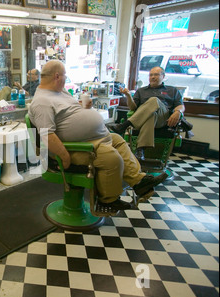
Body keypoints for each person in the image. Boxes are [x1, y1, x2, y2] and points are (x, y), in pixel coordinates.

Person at [28, 60, 168, 211]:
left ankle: (139, 182)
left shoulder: (60, 91)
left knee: (118, 140)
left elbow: (68, 112)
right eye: (64, 75)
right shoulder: (42, 102)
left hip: (92, 140)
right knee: (111, 157)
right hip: (72, 148)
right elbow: (47, 135)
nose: (65, 78)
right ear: (57, 76)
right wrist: (64, 156)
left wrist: (84, 108)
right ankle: (107, 200)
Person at [108, 66, 185, 160]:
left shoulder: (172, 90)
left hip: (164, 120)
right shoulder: (141, 91)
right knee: (151, 115)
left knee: (154, 100)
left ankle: (124, 125)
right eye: (151, 75)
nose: (152, 77)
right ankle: (141, 150)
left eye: (156, 74)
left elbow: (181, 105)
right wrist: (128, 96)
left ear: (163, 76)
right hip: (145, 119)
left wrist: (178, 111)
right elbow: (133, 107)